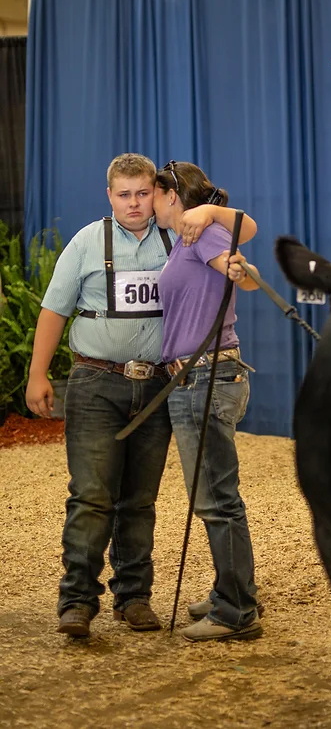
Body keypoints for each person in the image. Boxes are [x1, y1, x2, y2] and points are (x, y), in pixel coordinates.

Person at [25, 153, 257, 638]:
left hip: (159, 383)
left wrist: (211, 214)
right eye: (124, 194)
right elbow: (54, 309)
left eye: (142, 193)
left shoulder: (181, 233)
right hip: (95, 382)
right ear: (109, 196)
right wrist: (37, 375)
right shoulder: (88, 241)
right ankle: (78, 601)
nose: (134, 203)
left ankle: (134, 597)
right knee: (90, 494)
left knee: (141, 499)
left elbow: (239, 241)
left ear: (158, 195)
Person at [153, 160, 262, 642]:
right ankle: (230, 593)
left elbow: (241, 268)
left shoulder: (200, 235)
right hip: (199, 378)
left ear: (169, 195)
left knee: (217, 500)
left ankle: (237, 611)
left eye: (154, 195)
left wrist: (242, 270)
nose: (150, 205)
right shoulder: (186, 238)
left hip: (205, 377)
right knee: (216, 496)